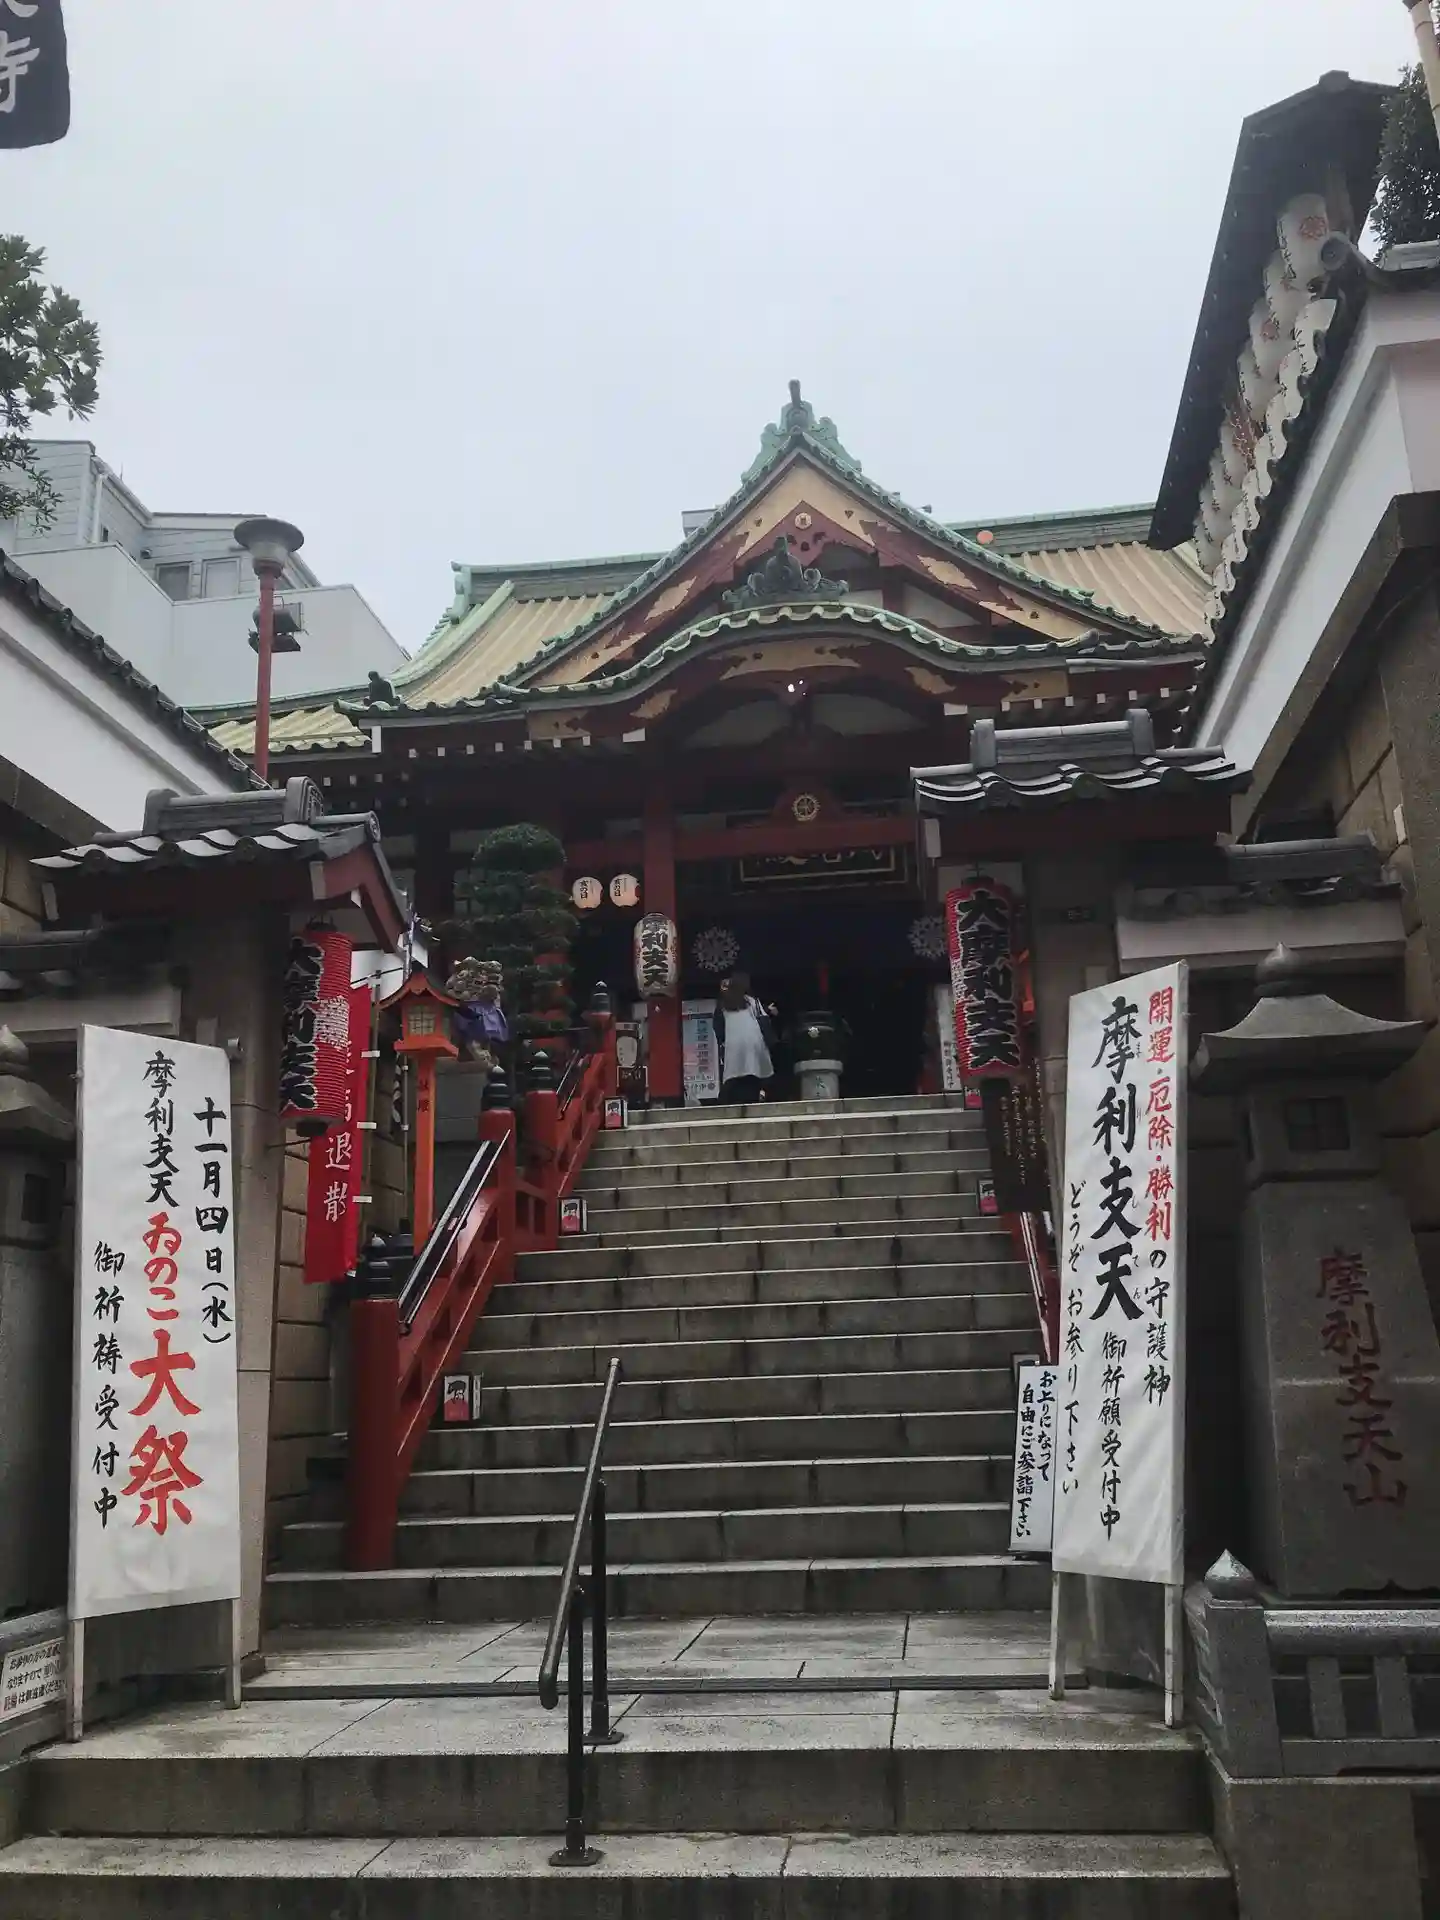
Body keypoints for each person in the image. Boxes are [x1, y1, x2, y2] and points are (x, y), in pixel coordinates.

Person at [712, 973, 776, 1105]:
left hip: (733, 1044)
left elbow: (718, 1027)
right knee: (754, 1071)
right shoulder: (751, 1001)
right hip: (754, 1041)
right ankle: (755, 1097)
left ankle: (726, 1101)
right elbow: (763, 1020)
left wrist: (723, 1041)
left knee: (733, 1075)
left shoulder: (723, 1004)